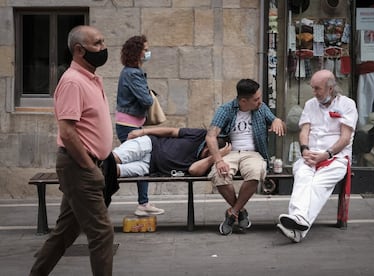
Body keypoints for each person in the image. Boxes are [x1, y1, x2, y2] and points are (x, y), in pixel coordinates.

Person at [30, 25, 114, 275]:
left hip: (88, 165)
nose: (103, 48)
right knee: (102, 233)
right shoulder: (73, 82)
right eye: (98, 43)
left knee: (65, 232)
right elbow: (67, 132)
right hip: (80, 166)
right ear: (79, 50)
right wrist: (90, 168)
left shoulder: (91, 78)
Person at [277, 69, 358, 243]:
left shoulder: (347, 104)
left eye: (317, 88)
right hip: (310, 155)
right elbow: (304, 130)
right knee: (303, 178)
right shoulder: (310, 104)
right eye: (312, 88)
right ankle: (298, 226)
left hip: (336, 157)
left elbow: (345, 138)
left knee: (317, 185)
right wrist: (305, 149)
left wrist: (326, 155)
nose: (314, 92)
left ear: (330, 88)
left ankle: (298, 220)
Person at [205, 78, 286, 235]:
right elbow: (210, 137)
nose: (260, 101)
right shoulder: (226, 110)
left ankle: (232, 213)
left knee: (255, 173)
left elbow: (280, 125)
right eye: (256, 99)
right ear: (243, 101)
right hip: (231, 152)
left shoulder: (261, 108)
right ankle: (240, 212)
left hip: (253, 153)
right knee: (218, 174)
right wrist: (219, 161)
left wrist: (277, 121)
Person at [115, 35, 164, 216]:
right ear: (137, 52)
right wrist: (150, 94)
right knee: (140, 161)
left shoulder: (129, 72)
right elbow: (144, 99)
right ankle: (142, 203)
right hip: (129, 126)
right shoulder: (133, 73)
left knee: (141, 161)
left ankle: (143, 202)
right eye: (145, 49)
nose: (147, 52)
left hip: (129, 124)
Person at [113, 127, 231, 178]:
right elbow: (172, 131)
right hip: (150, 144)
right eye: (208, 147)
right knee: (115, 158)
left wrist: (216, 157)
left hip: (150, 167)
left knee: (115, 171)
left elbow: (193, 170)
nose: (206, 151)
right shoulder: (200, 134)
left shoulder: (207, 164)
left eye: (210, 151)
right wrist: (143, 131)